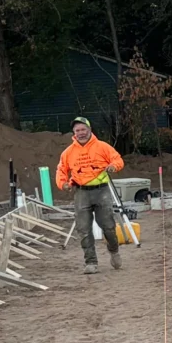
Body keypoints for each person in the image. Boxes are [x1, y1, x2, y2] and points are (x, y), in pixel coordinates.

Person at [56, 117, 126, 275]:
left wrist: (113, 167)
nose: (81, 133)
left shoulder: (102, 147)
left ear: (89, 129)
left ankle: (114, 251)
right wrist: (63, 183)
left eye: (83, 129)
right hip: (81, 192)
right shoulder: (68, 153)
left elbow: (117, 159)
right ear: (74, 133)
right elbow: (61, 169)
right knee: (84, 229)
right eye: (77, 131)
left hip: (102, 192)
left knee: (108, 226)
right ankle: (91, 262)